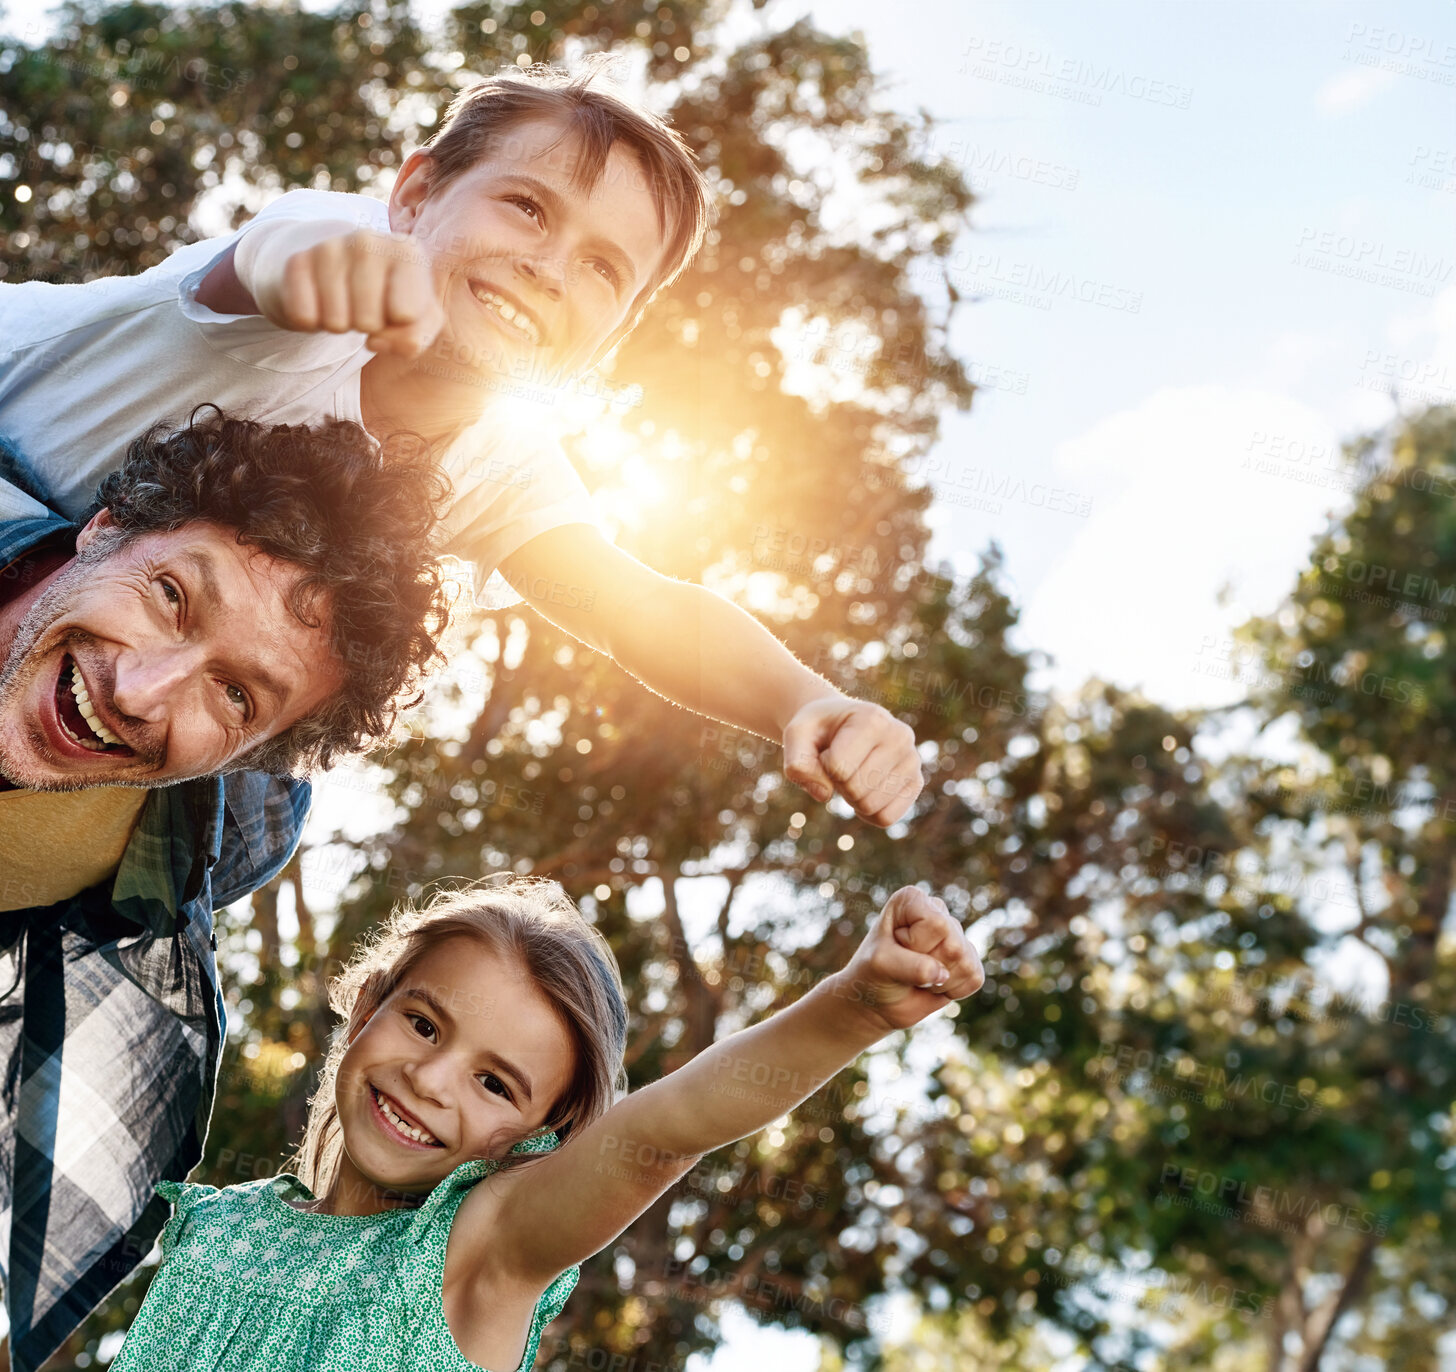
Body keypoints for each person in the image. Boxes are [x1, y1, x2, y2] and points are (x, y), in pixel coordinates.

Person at [0, 63, 925, 827]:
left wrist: (805, 701)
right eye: (527, 208)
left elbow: (636, 607)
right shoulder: (323, 266)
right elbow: (267, 262)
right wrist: (317, 277)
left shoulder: (504, 461)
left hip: (89, 593)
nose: (549, 268)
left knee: (259, 806)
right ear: (413, 196)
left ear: (612, 336)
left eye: (603, 270)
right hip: (16, 461)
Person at [0, 408, 453, 1372]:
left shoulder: (218, 842)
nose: (140, 690)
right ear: (108, 523)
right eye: (170, 596)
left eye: (237, 695)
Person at [104, 878, 984, 1371]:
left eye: (495, 1082)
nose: (431, 1079)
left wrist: (852, 1009)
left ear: (536, 1138)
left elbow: (666, 1131)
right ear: (367, 1003)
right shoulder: (222, 1223)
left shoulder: (473, 1253)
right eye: (422, 1023)